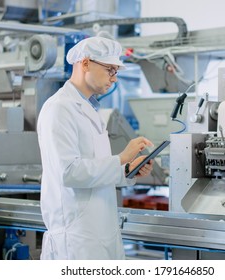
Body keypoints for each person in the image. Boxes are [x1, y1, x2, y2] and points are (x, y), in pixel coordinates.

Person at [37, 34, 154, 260]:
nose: (114, 78)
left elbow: (95, 170)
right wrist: (121, 158)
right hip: (76, 238)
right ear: (86, 63)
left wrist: (127, 170)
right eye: (110, 69)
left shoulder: (89, 109)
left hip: (100, 231)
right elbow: (69, 173)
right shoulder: (60, 108)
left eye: (116, 71)